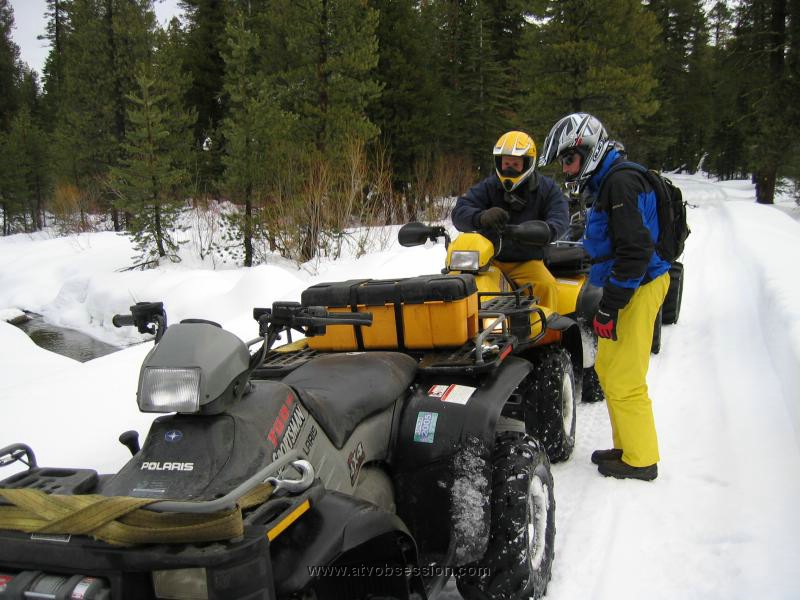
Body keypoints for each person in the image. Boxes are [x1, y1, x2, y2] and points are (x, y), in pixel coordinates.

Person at [539, 113, 670, 481]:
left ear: (590, 150)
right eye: (563, 162)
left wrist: (609, 307)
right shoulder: (607, 181)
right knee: (609, 368)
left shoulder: (621, 184)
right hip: (627, 284)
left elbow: (635, 252)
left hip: (640, 285)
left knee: (626, 376)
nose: (566, 169)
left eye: (569, 159)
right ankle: (624, 447)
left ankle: (641, 460)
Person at [451, 131, 569, 311]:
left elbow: (559, 219)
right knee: (460, 287)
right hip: (489, 260)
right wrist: (481, 217)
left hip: (527, 261)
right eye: (506, 163)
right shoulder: (489, 186)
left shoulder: (547, 189)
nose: (509, 169)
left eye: (515, 164)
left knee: (546, 286)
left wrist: (539, 231)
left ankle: (546, 326)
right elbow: (460, 211)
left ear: (528, 163)